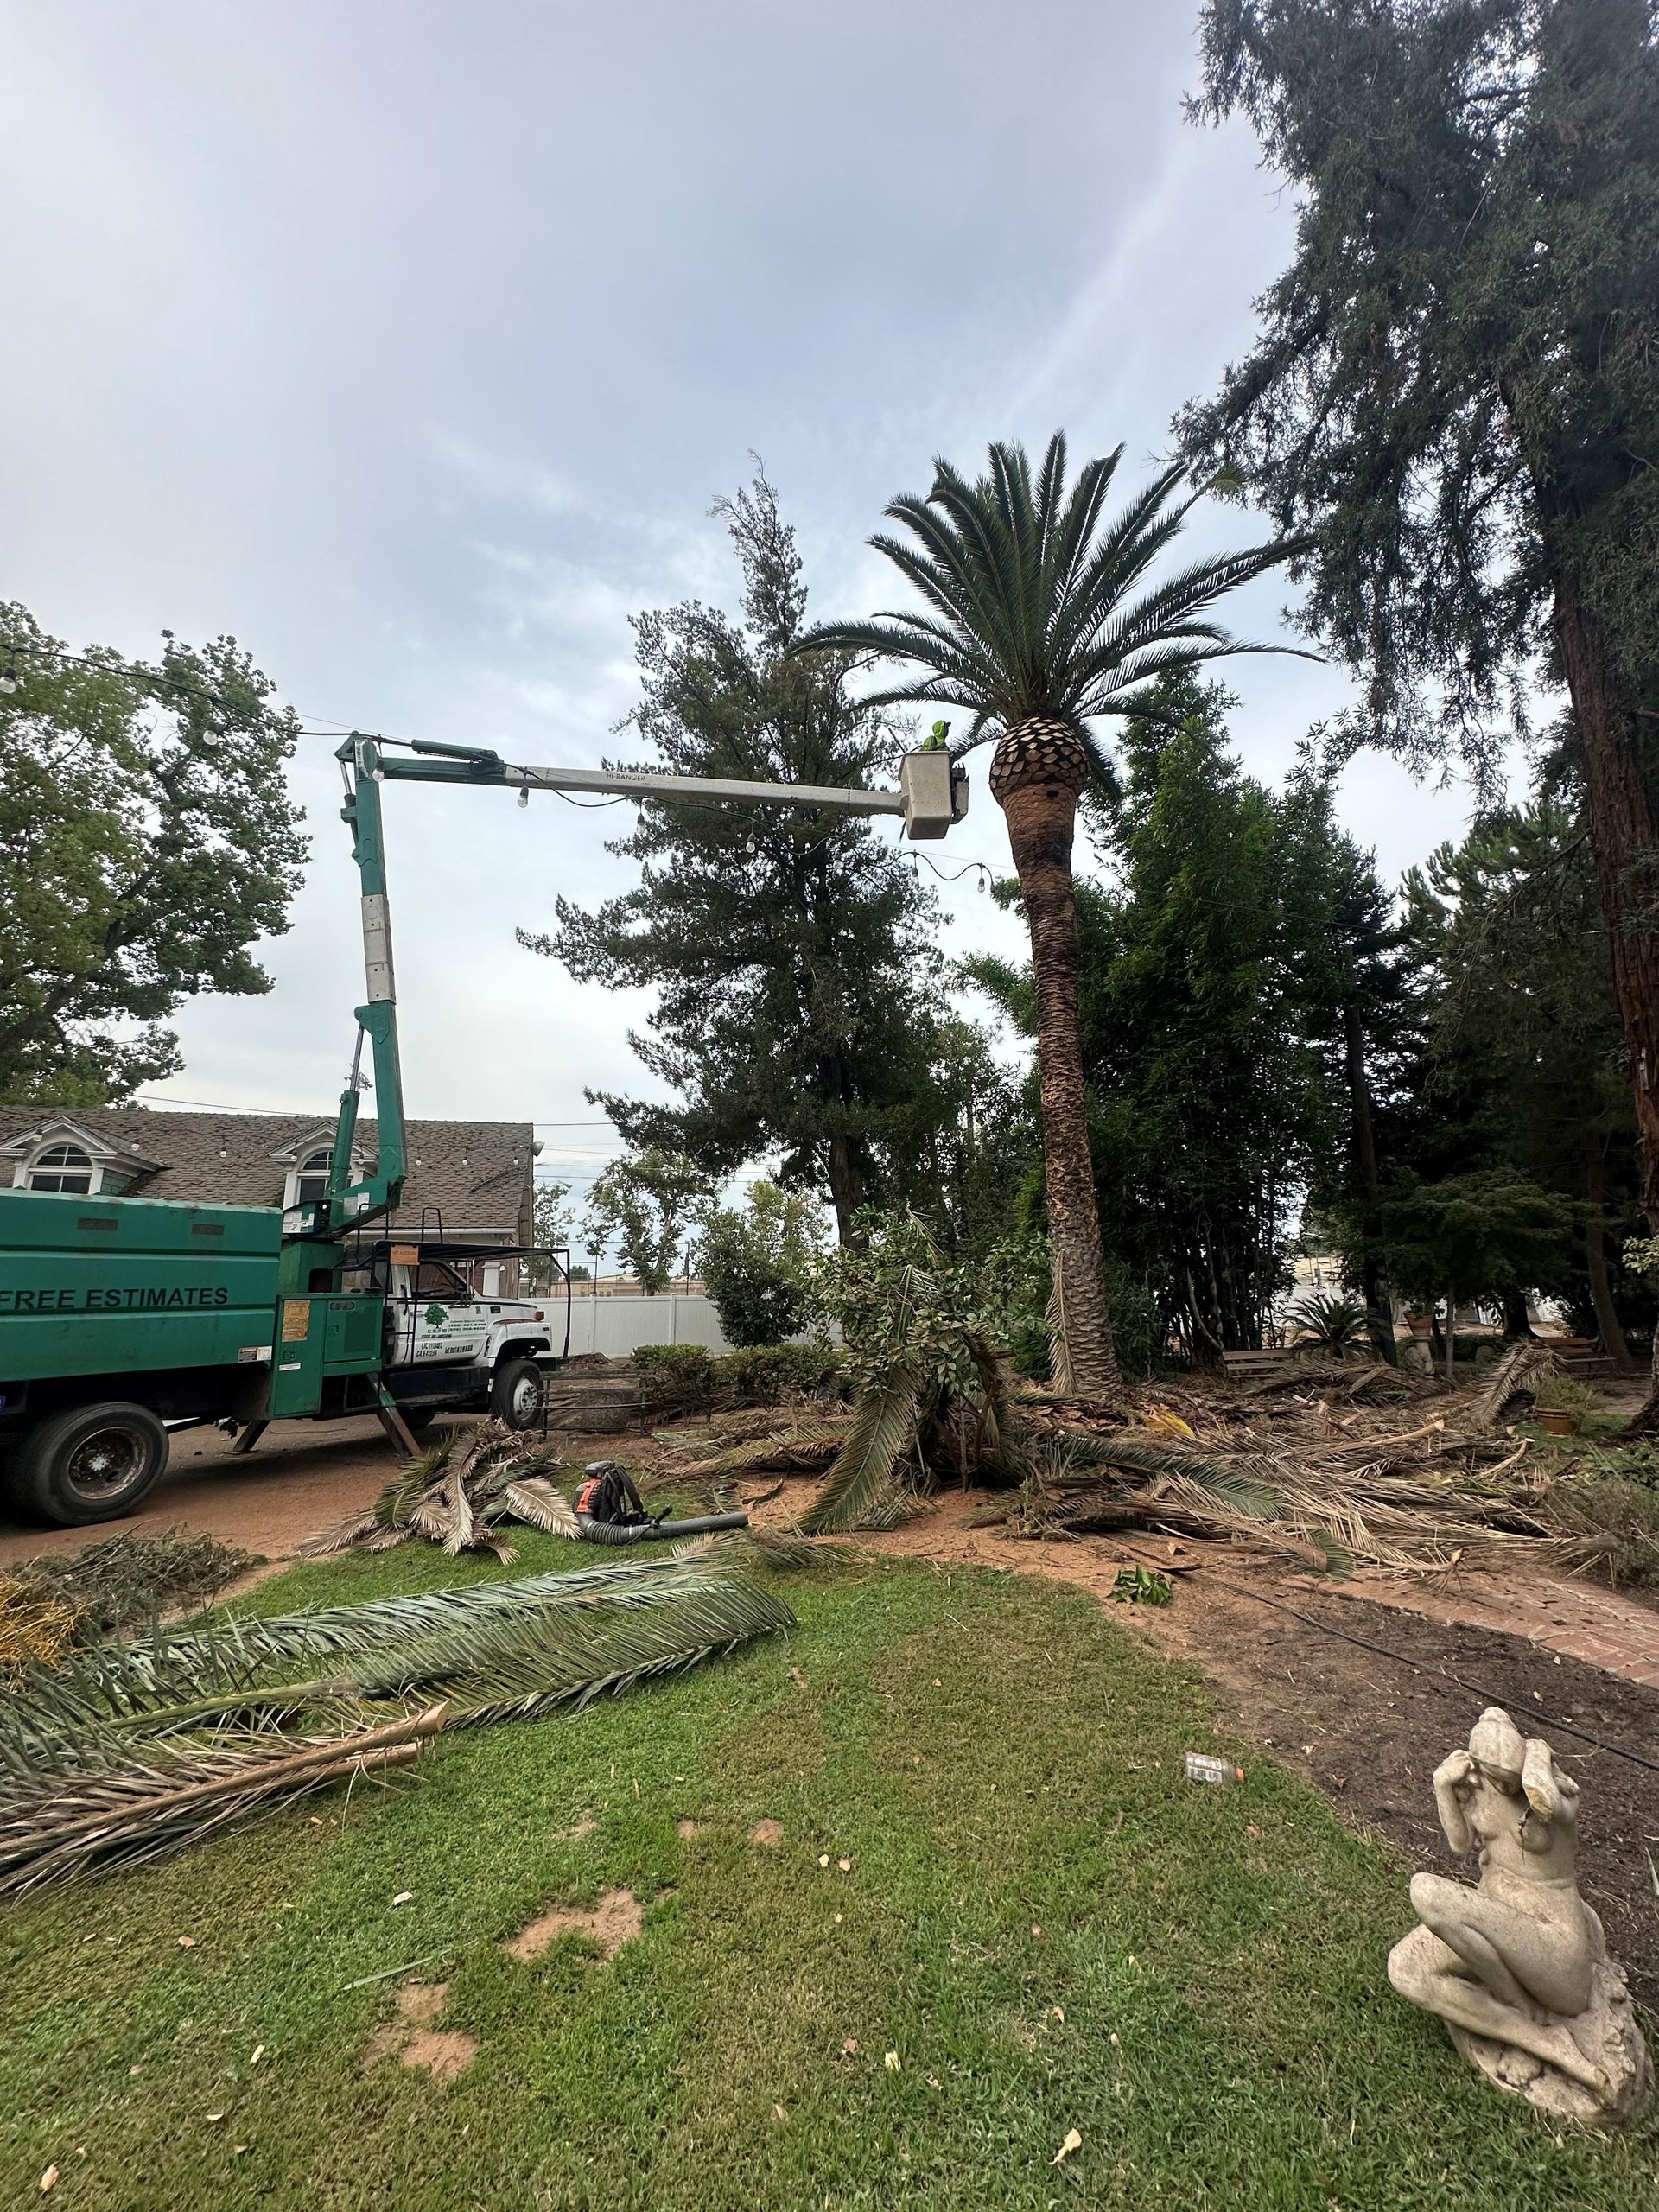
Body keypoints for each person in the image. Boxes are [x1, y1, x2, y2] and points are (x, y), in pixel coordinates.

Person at [1387, 1706, 1607, 2096]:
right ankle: (1539, 2039)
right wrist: (1443, 1787)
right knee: (1405, 1969)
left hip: (1553, 1952)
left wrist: (1538, 1756)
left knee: (1426, 1891)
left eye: (1504, 1773)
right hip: (1499, 1929)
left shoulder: (1553, 1793)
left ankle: (1525, 2006)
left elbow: (1547, 1801)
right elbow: (1460, 1844)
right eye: (1490, 1770)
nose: (1498, 1783)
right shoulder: (1478, 1787)